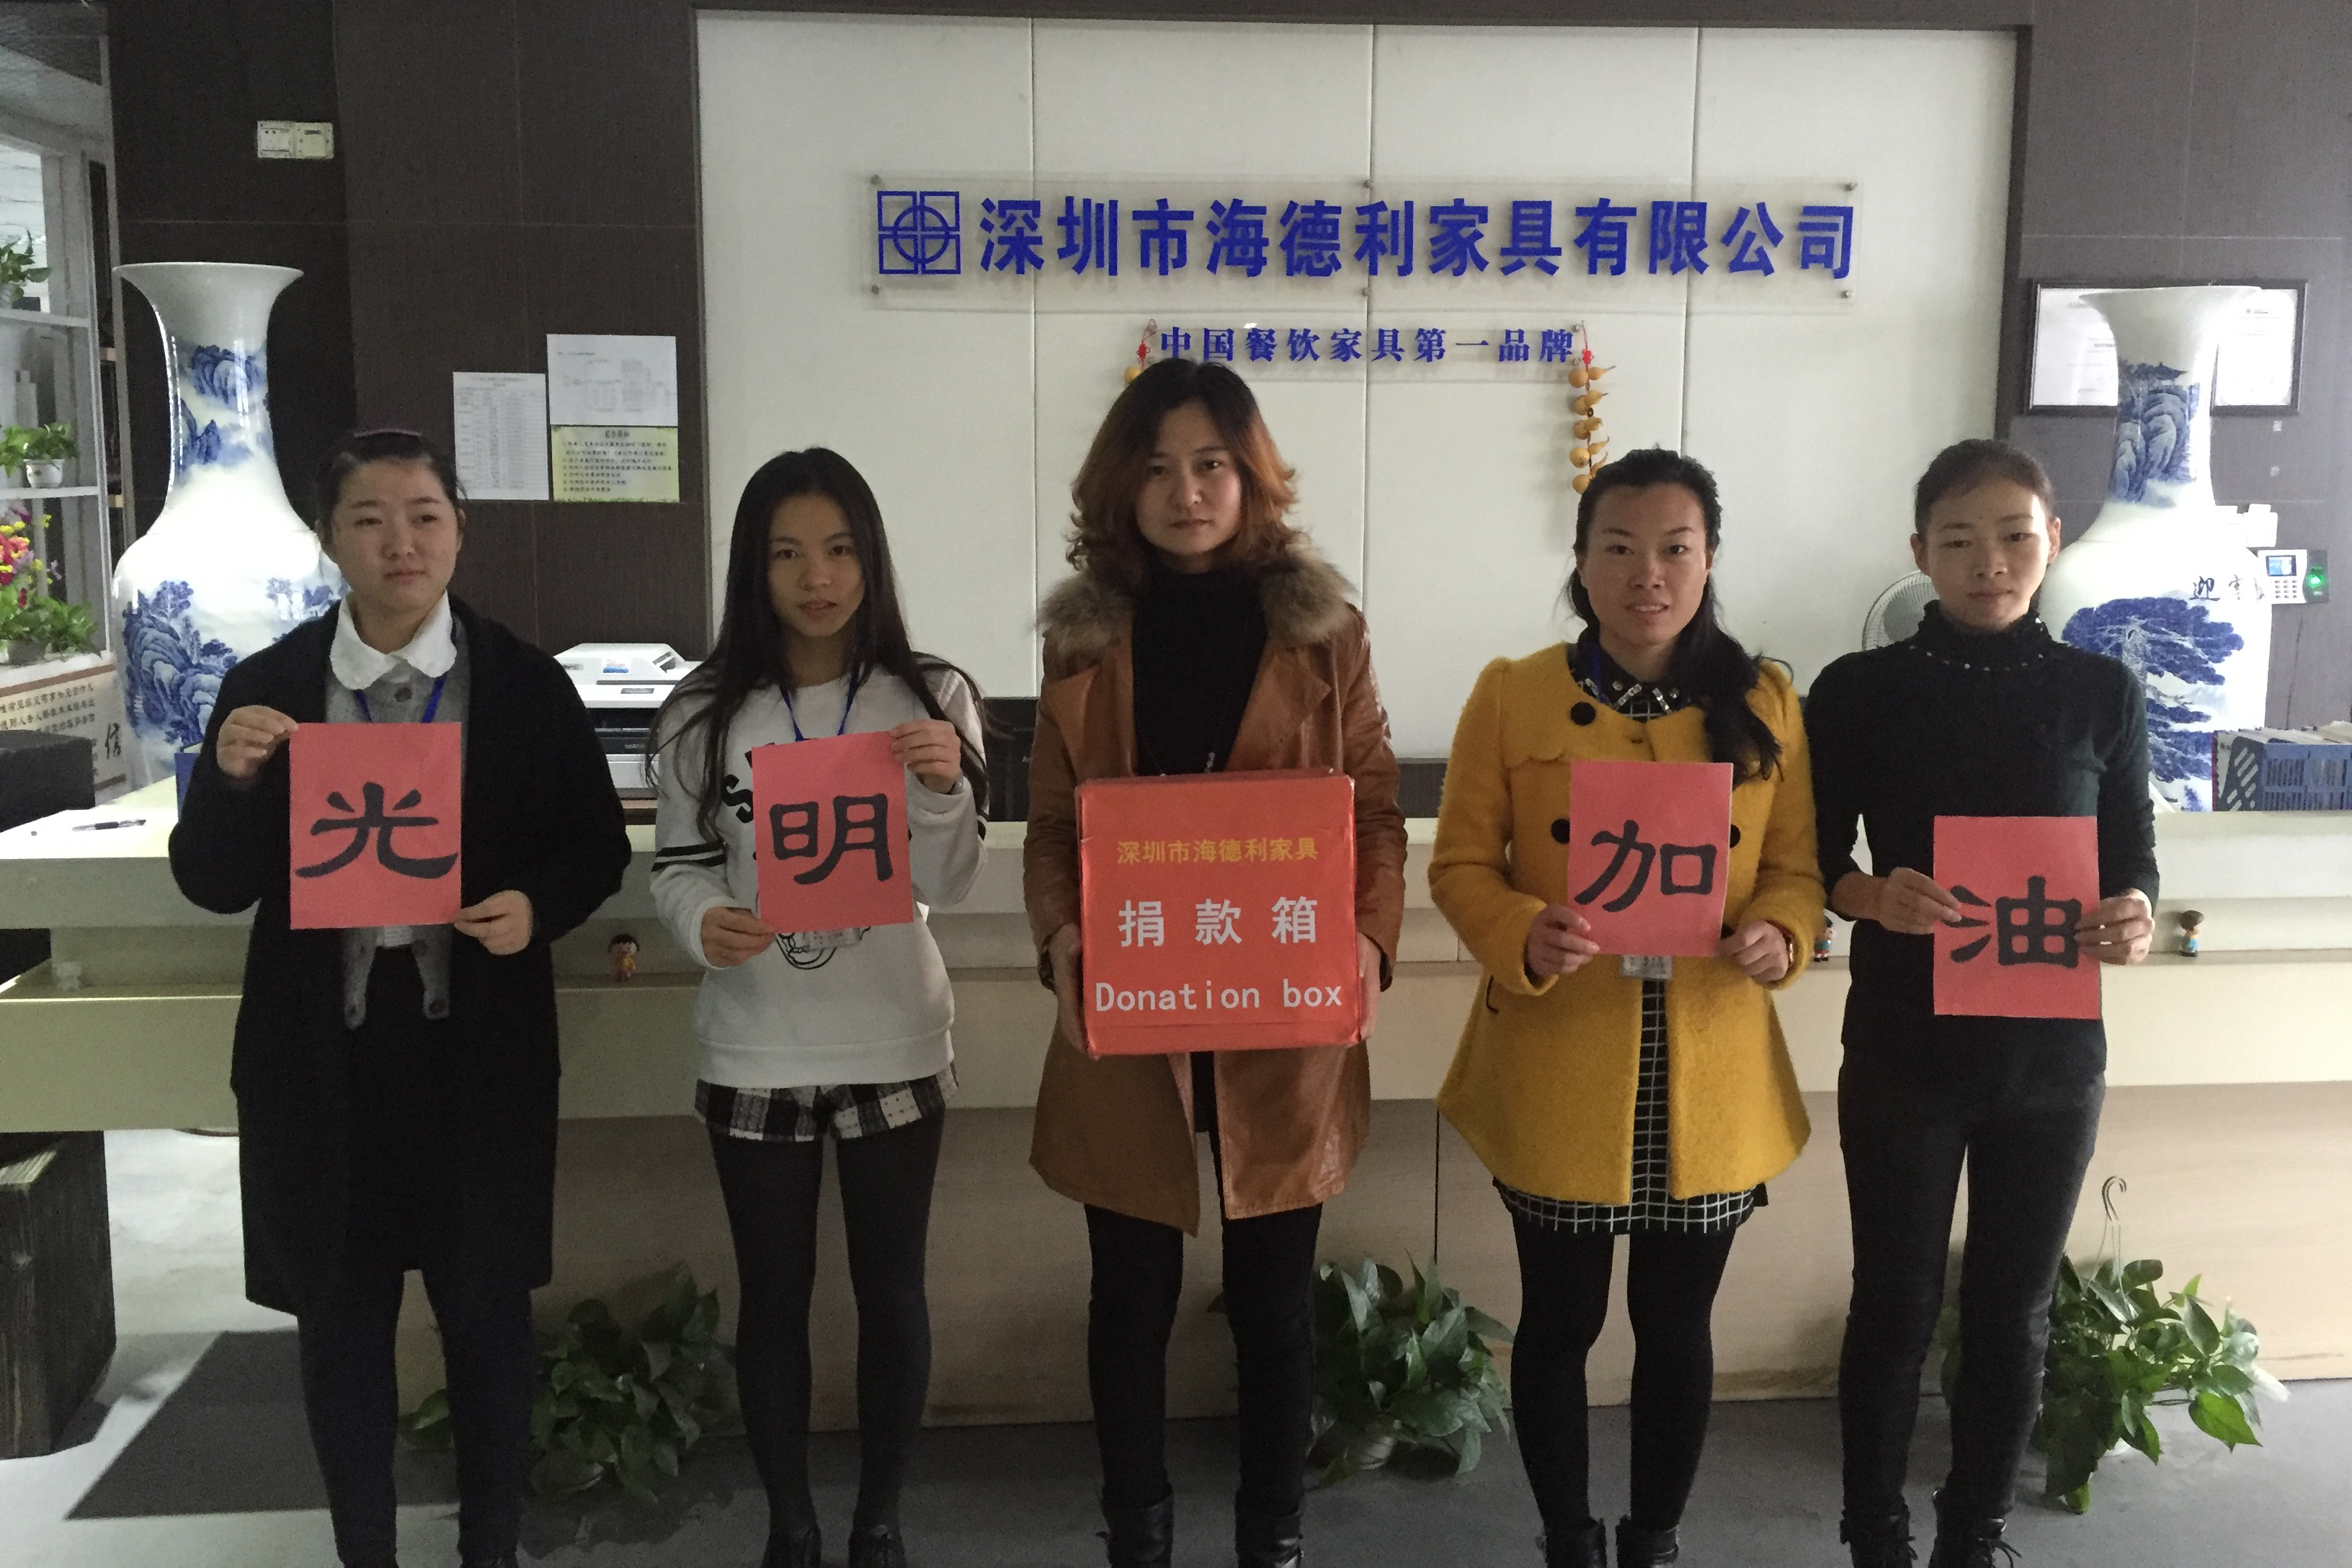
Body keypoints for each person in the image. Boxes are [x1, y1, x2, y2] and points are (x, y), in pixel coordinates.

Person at [169, 428, 631, 1568]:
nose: (400, 542)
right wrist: (227, 781)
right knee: (340, 1332)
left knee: (487, 1328)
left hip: (476, 1058)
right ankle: (363, 1552)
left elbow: (595, 845)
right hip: (322, 1063)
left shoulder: (523, 684)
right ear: (331, 539)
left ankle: (490, 1551)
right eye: (369, 519)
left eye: (424, 516)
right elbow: (212, 881)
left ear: (460, 529)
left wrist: (534, 905)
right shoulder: (270, 687)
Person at [1024, 358, 1407, 1568]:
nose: (1186, 493)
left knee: (1276, 1306)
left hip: (1279, 1005)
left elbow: (1375, 810)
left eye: (1210, 465)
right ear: (1119, 486)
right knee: (1128, 1300)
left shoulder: (1325, 634)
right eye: (1156, 469)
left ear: (1252, 477)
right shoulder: (1082, 642)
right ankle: (1136, 1535)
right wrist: (1059, 934)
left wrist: (1369, 938)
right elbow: (1051, 826)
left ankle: (1271, 1538)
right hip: (1127, 1001)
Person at [1428, 447, 1825, 1568]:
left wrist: (1781, 931)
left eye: (1674, 549)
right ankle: (1568, 1536)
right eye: (1619, 547)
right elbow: (1460, 866)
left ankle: (1654, 1538)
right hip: (1562, 1057)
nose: (1647, 573)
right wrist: (1521, 929)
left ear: (1709, 561)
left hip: (1709, 1073)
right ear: (1581, 560)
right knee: (1559, 1325)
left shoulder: (1765, 700)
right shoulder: (1511, 693)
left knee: (1678, 1328)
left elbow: (1796, 870)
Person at [1808, 439, 2155, 1568]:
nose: (1989, 561)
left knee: (2014, 1314)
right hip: (1904, 1050)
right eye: (1959, 539)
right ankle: (1874, 1533)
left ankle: (1975, 1533)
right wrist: (1872, 894)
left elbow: (2132, 857)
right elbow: (1808, 861)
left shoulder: (2101, 691)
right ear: (1921, 552)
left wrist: (2136, 914)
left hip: (2050, 1065)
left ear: (2051, 541)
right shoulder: (1858, 691)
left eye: (2013, 536)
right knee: (1894, 1306)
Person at [649, 447, 986, 1568]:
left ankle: (879, 1522)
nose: (817, 577)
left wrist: (943, 787)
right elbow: (678, 864)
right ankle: (791, 1529)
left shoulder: (932, 697)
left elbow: (951, 883)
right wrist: (703, 920)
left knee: (892, 1294)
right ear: (753, 568)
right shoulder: (704, 710)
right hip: (754, 1042)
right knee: (773, 1298)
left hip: (895, 1037)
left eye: (840, 550)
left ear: (871, 559)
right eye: (787, 553)